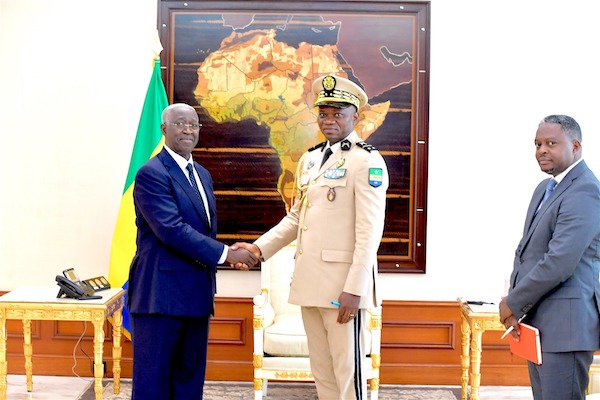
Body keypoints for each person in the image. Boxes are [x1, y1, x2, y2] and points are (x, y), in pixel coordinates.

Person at [236, 75, 389, 399]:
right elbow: (296, 218)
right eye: (324, 113)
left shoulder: (367, 161)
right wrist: (258, 249)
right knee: (323, 373)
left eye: (337, 114)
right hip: (310, 285)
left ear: (355, 116)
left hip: (343, 290)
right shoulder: (311, 159)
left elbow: (369, 232)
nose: (328, 120)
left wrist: (355, 290)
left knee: (348, 376)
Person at [127, 103, 258, 400]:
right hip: (160, 297)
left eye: (194, 125)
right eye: (180, 124)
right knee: (153, 386)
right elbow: (171, 229)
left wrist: (228, 254)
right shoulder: (151, 173)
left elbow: (202, 230)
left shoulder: (201, 174)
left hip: (196, 296)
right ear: (164, 129)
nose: (188, 130)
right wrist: (227, 254)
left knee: (189, 384)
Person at [499, 115, 600, 400]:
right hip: (540, 324)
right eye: (537, 144)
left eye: (551, 143)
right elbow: (527, 252)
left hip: (566, 329)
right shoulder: (545, 188)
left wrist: (513, 303)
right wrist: (517, 304)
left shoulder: (585, 190)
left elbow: (559, 262)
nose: (541, 150)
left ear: (575, 146)